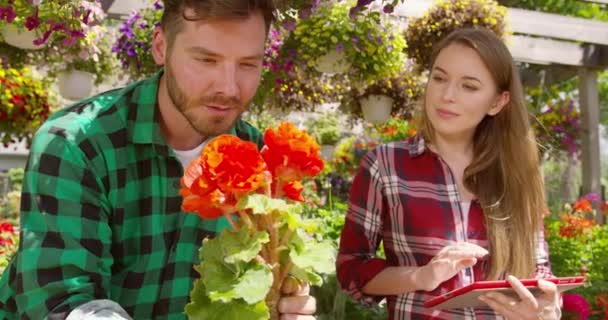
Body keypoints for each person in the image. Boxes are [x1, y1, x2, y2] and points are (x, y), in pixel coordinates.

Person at [0, 0, 316, 319]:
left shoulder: (261, 158)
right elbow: (62, 301)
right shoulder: (77, 142)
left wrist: (285, 298)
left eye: (248, 64)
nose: (228, 87)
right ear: (161, 47)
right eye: (207, 60)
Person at [336, 27, 561, 320]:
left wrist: (545, 309)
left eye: (469, 86)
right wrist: (422, 276)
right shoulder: (385, 166)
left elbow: (540, 273)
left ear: (497, 102)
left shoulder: (519, 176)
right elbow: (352, 269)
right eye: (439, 78)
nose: (447, 95)